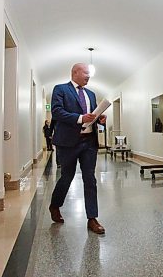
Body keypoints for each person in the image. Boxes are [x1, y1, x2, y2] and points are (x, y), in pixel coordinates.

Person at [49, 63, 107, 234]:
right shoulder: (60, 89)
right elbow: (57, 112)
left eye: (89, 74)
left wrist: (99, 119)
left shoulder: (91, 94)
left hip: (89, 142)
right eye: (86, 73)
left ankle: (92, 218)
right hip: (68, 142)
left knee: (90, 179)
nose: (89, 76)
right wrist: (80, 118)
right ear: (75, 72)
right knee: (67, 176)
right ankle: (55, 205)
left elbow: (92, 115)